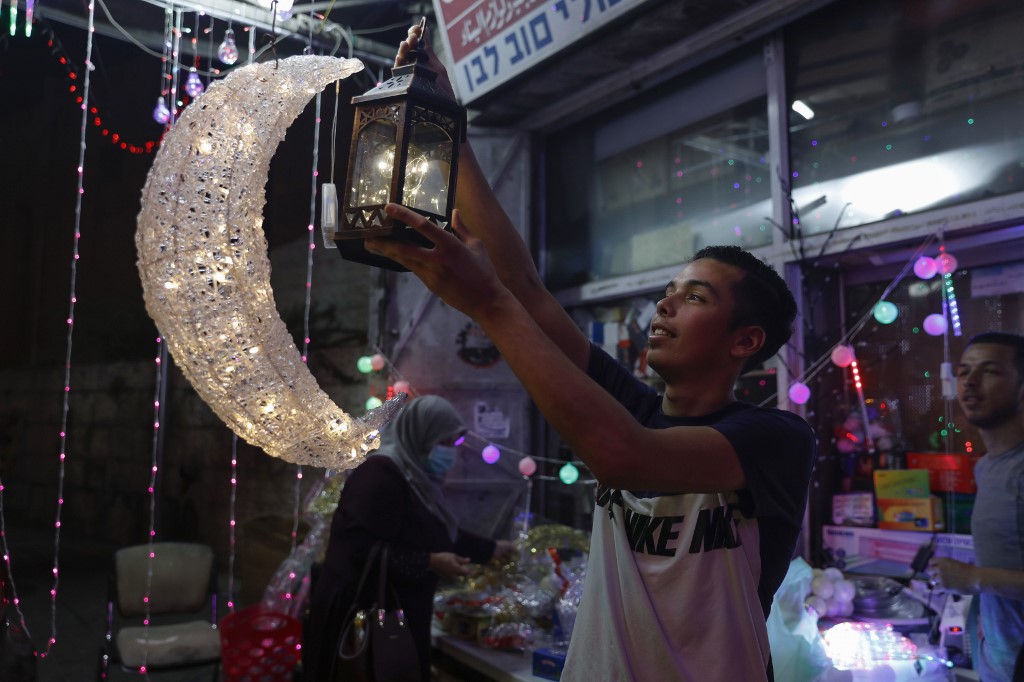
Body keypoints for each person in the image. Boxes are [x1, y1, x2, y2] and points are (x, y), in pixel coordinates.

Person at [368, 23, 816, 681]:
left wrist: (488, 307)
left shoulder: (772, 439)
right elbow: (523, 286)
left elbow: (625, 457)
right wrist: (446, 127)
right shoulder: (633, 406)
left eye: (693, 298)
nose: (664, 305)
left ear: (746, 341)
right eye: (668, 292)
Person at [302, 395, 514, 681]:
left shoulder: (414, 476)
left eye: (454, 444)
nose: (451, 453)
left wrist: (491, 549)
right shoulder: (379, 475)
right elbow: (357, 550)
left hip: (395, 617)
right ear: (420, 434)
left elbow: (436, 531)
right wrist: (428, 561)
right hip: (361, 619)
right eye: (444, 442)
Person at [929, 331, 1024, 682]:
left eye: (990, 371)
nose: (969, 381)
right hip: (1000, 665)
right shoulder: (987, 466)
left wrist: (974, 578)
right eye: (964, 370)